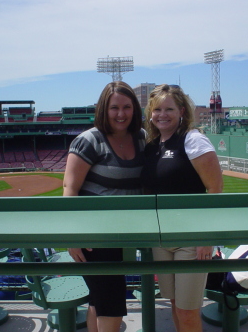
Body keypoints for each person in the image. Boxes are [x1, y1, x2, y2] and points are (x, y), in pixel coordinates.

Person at [63, 81, 145, 332]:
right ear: (103, 109)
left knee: (99, 299)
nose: (121, 114)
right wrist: (72, 236)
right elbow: (70, 189)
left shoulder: (142, 137)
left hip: (126, 233)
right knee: (111, 302)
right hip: (94, 236)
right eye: (114, 108)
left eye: (127, 107)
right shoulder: (89, 140)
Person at [141, 84, 223, 332]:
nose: (162, 115)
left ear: (181, 112)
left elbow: (215, 190)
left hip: (190, 239)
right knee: (175, 305)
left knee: (188, 312)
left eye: (169, 109)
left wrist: (206, 237)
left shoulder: (193, 139)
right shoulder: (152, 144)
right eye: (157, 109)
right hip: (161, 238)